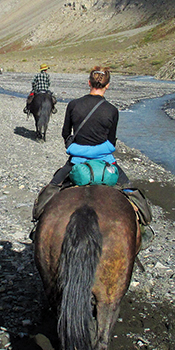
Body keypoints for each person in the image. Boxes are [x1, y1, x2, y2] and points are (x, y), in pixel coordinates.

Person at [30, 66, 150, 235]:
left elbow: (66, 133)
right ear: (107, 85)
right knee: (131, 191)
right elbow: (111, 141)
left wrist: (75, 147)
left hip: (76, 161)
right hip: (106, 161)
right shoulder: (112, 110)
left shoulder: (73, 105)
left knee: (51, 188)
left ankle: (37, 226)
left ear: (89, 83)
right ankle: (145, 228)